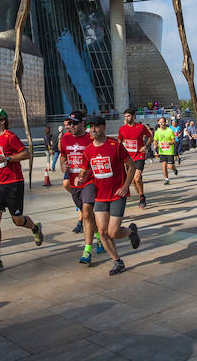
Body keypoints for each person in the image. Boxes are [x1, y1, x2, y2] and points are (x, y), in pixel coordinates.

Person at [0, 109, 43, 273]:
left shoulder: (11, 137)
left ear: (2, 121)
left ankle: (35, 228)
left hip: (14, 184)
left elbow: (26, 154)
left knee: (17, 220)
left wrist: (8, 158)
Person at [76, 114, 140, 275]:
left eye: (96, 126)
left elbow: (131, 166)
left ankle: (131, 232)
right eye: (91, 127)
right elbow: (84, 171)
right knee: (103, 232)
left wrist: (126, 186)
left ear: (104, 127)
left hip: (118, 193)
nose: (93, 130)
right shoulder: (89, 150)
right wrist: (79, 178)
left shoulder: (115, 145)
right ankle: (117, 262)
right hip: (100, 196)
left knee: (112, 232)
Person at [58, 111, 103, 265]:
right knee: (88, 216)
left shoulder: (91, 139)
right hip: (74, 183)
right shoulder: (65, 139)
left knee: (86, 212)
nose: (71, 126)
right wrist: (63, 165)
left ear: (83, 123)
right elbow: (63, 156)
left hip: (89, 181)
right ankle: (99, 237)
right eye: (69, 123)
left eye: (74, 123)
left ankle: (87, 250)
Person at [117, 108, 152, 209]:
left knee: (136, 178)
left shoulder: (141, 127)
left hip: (139, 155)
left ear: (133, 116)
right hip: (128, 158)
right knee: (132, 180)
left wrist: (145, 146)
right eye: (125, 117)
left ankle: (141, 197)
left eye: (128, 116)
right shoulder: (122, 129)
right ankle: (141, 196)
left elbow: (150, 136)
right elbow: (119, 143)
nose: (126, 118)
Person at [152, 117, 178, 185]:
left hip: (169, 151)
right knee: (163, 166)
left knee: (170, 166)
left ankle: (174, 168)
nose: (161, 123)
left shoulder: (169, 130)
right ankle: (166, 179)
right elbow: (155, 140)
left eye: (163, 122)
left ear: (165, 122)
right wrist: (155, 144)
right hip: (162, 151)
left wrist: (169, 143)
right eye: (160, 122)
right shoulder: (157, 132)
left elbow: (174, 140)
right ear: (158, 122)